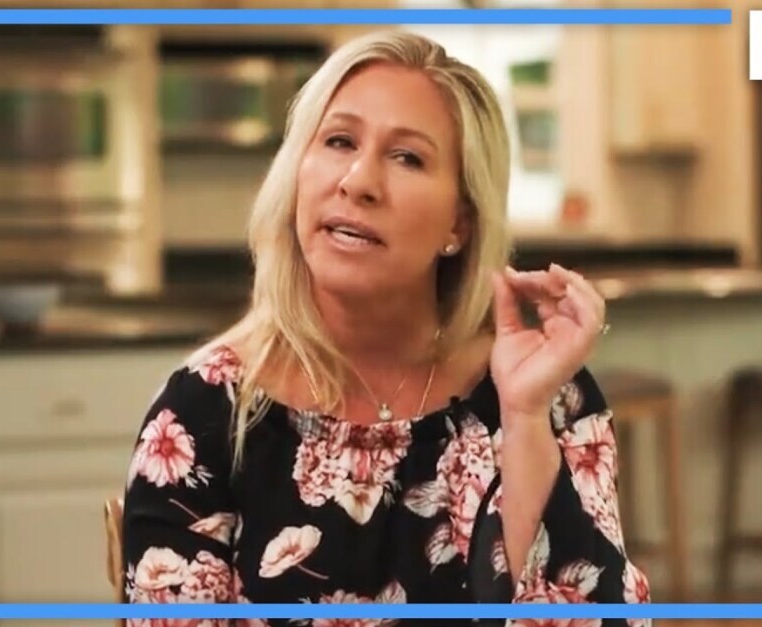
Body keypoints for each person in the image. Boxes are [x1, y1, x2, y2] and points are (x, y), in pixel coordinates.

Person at [120, 28, 652, 626]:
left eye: (407, 158)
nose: (358, 181)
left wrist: (525, 419)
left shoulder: (550, 398)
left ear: (460, 223)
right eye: (339, 141)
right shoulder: (204, 410)